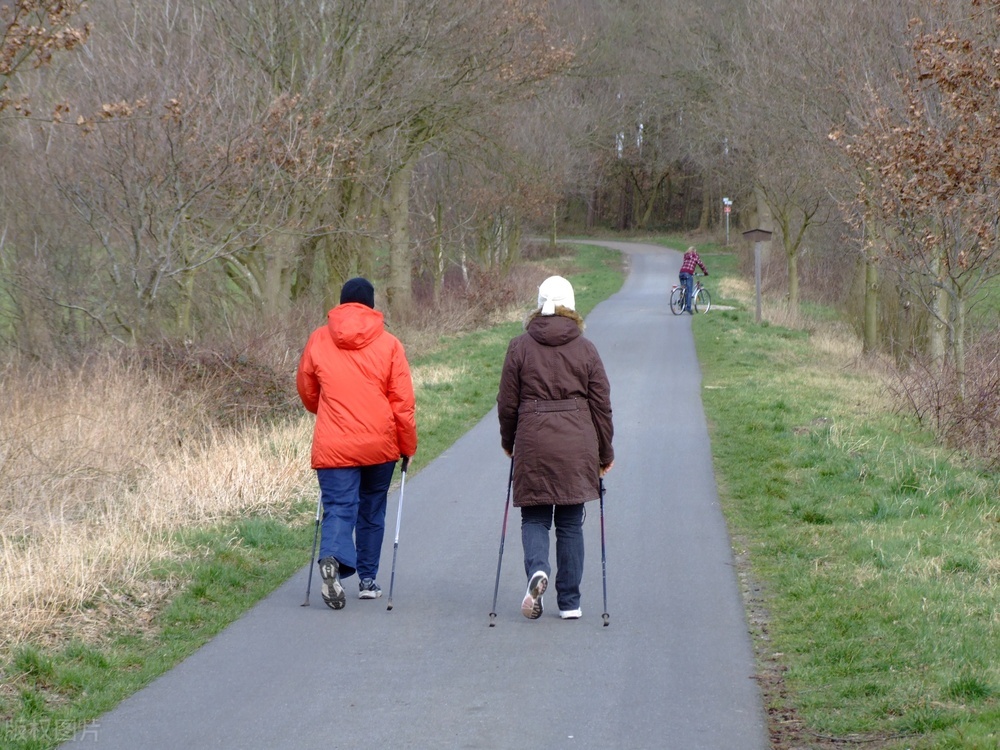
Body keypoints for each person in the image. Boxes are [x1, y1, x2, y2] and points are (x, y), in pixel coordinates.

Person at [496, 276, 614, 620]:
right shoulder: (586, 348)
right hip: (577, 444)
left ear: (539, 304)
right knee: (570, 523)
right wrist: (605, 453)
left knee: (534, 515)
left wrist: (509, 442)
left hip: (533, 441)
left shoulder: (519, 346)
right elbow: (602, 405)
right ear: (572, 306)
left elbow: (506, 403)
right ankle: (570, 602)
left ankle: (538, 571)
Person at [296, 277, 418, 610]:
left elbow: (307, 390)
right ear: (371, 305)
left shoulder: (319, 339)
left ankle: (332, 559)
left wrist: (324, 408)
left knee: (339, 506)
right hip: (379, 444)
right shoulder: (390, 344)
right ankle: (366, 580)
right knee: (372, 509)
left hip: (334, 443)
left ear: (341, 304)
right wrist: (407, 446)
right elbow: (402, 403)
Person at [678, 246, 709, 314]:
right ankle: (688, 308)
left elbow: (686, 265)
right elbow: (701, 264)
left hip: (681, 273)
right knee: (689, 291)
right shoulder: (695, 256)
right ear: (694, 251)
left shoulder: (686, 256)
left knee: (683, 288)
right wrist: (705, 272)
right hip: (688, 274)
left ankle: (681, 304)